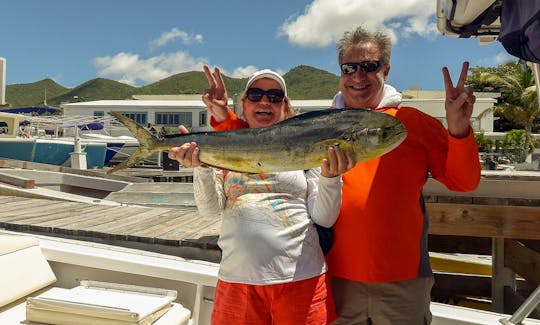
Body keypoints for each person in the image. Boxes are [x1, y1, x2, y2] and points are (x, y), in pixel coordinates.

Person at [192, 25, 482, 324]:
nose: (358, 77)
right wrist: (223, 118)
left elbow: (463, 182)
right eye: (349, 67)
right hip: (334, 276)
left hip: (402, 279)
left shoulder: (411, 124)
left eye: (369, 67)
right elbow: (265, 149)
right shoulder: (323, 123)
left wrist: (459, 130)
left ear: (386, 69)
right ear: (341, 72)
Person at [168, 67, 356, 324]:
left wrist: (331, 178)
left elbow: (324, 218)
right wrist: (200, 168)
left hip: (302, 279)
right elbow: (210, 212)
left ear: (285, 106)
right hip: (238, 281)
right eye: (255, 95)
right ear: (243, 104)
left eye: (274, 96)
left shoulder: (310, 147)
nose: (264, 101)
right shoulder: (226, 150)